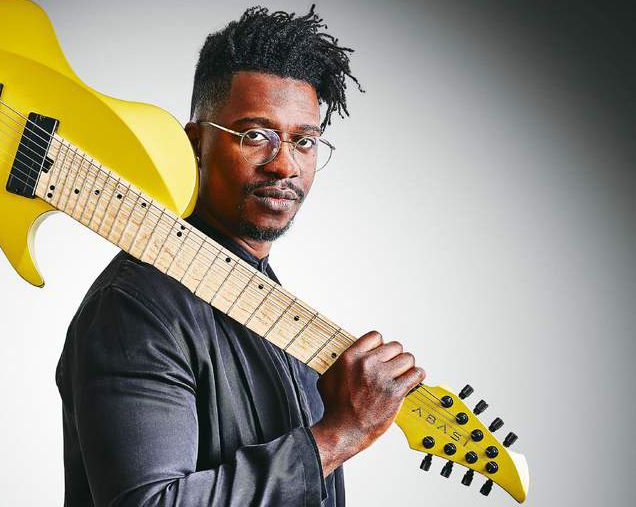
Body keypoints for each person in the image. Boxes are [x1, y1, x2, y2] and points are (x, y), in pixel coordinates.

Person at [55, 6, 425, 506]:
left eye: (304, 141)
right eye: (255, 135)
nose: (284, 164)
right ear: (196, 143)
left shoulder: (274, 312)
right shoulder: (136, 306)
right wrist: (338, 435)